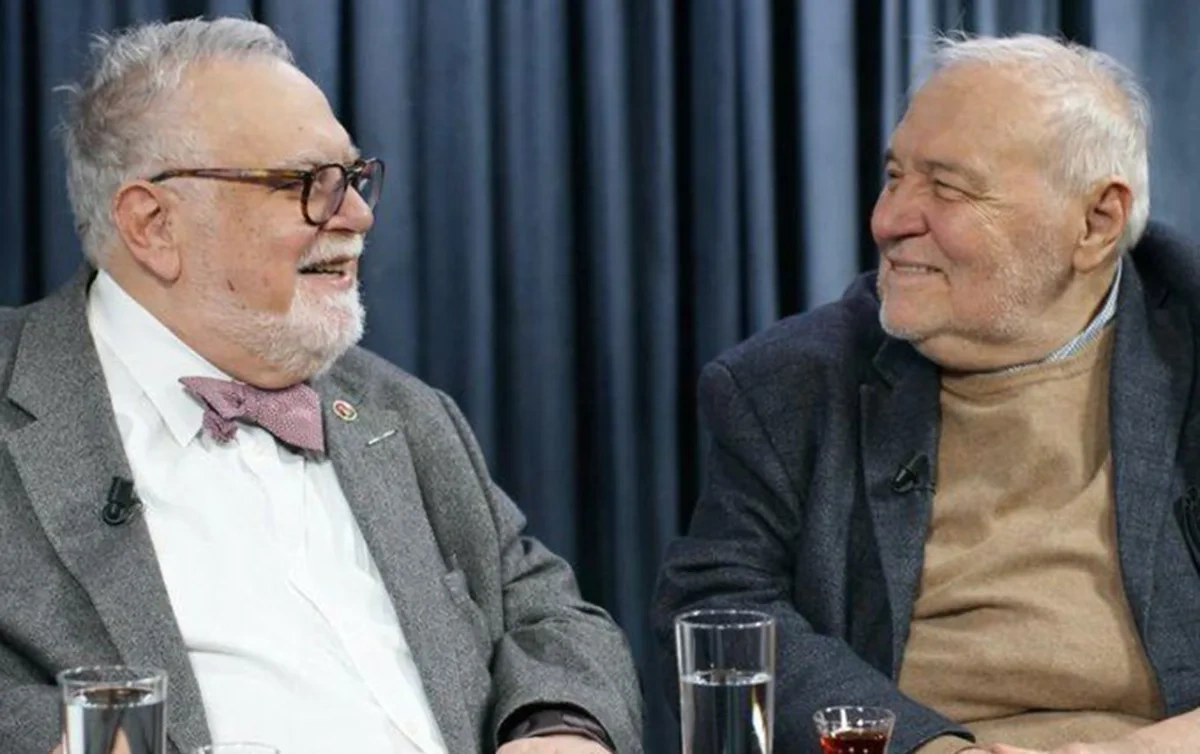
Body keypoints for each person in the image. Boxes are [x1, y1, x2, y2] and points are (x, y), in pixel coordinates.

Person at [0, 17, 642, 754]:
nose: (358, 216)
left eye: (354, 179)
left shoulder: (402, 410)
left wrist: (558, 723)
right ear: (153, 224)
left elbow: (545, 610)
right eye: (307, 184)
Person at [653, 33, 1200, 754]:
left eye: (948, 188)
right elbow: (720, 608)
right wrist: (926, 749)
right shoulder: (789, 384)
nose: (888, 221)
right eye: (894, 177)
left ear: (1096, 222)